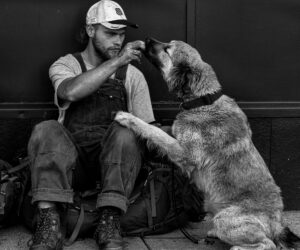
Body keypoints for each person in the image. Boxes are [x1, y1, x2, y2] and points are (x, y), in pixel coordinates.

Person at [27, 1, 155, 249]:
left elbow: (147, 132)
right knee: (46, 129)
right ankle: (49, 223)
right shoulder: (66, 65)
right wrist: (118, 62)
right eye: (110, 33)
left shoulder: (133, 76)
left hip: (115, 168)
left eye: (121, 34)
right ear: (90, 30)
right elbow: (71, 91)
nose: (118, 42)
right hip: (73, 165)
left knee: (128, 131)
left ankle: (110, 220)